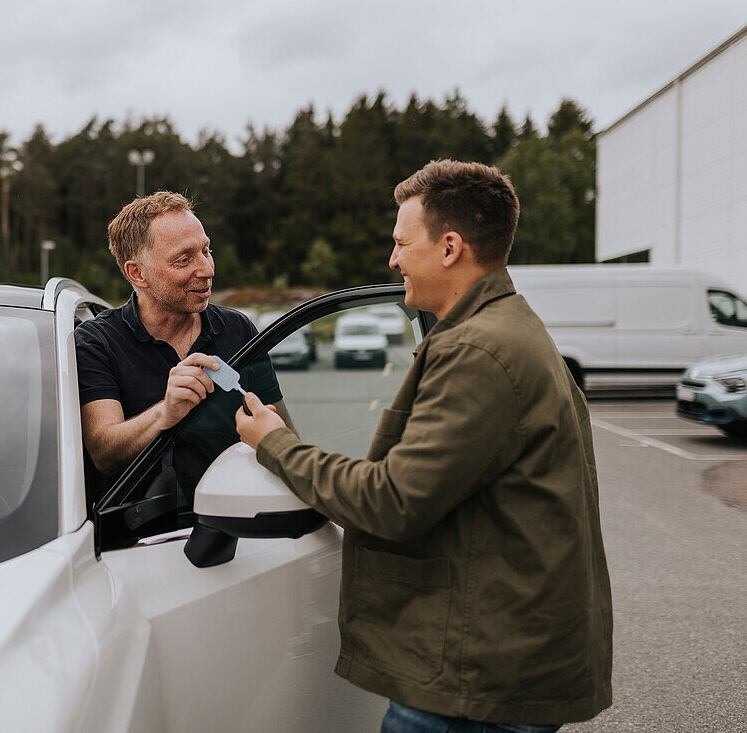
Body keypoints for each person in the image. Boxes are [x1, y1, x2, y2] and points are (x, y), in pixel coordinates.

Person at [235, 160, 612, 731]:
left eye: (401, 242)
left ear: (450, 247)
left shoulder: (478, 351)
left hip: (474, 683)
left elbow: (392, 501)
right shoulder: (509, 326)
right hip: (499, 661)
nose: (392, 259)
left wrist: (276, 443)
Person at [76, 191, 284, 488]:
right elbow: (104, 452)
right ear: (137, 274)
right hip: (143, 532)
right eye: (184, 259)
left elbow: (284, 437)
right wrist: (166, 411)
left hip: (236, 520)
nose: (208, 270)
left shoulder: (238, 329)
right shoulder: (97, 342)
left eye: (206, 251)